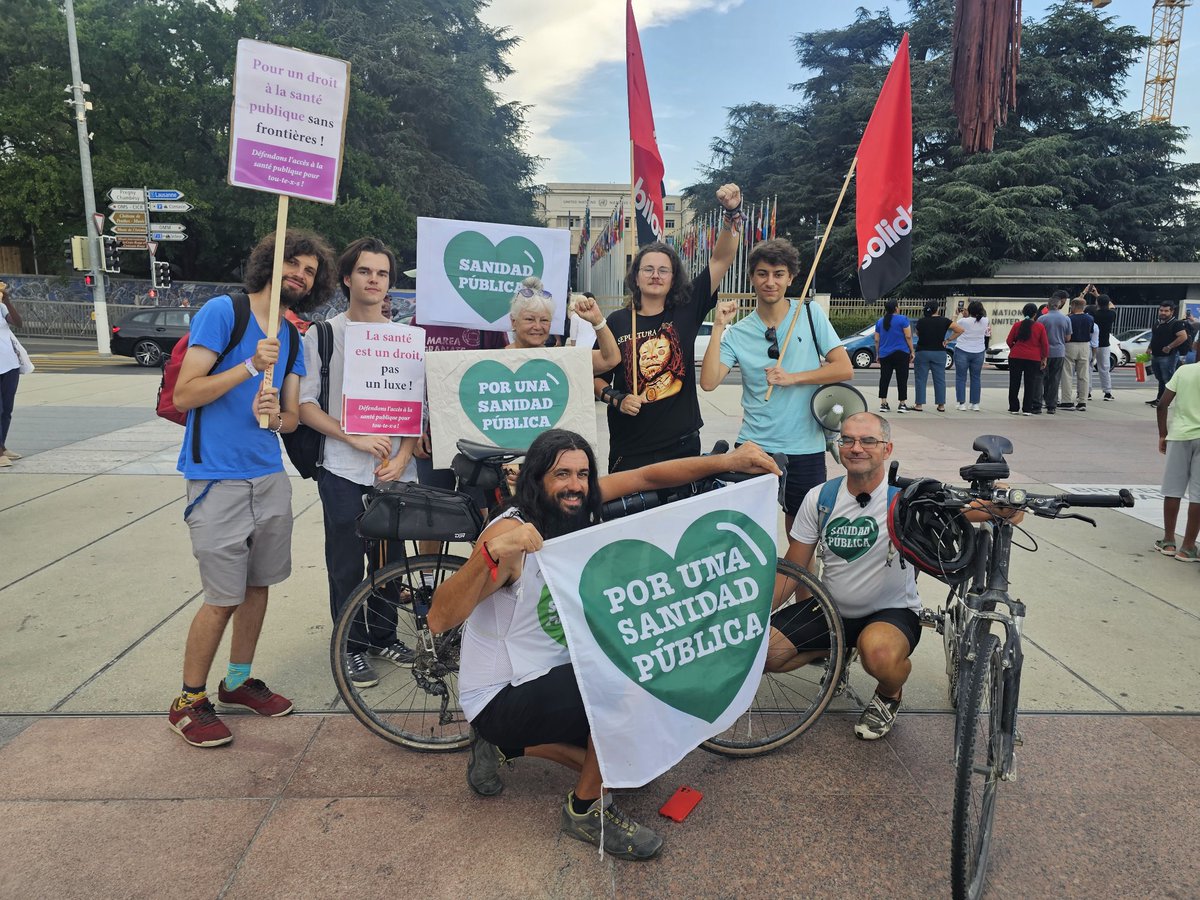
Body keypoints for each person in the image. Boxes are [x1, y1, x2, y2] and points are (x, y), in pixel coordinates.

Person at [427, 429, 780, 859]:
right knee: (627, 684)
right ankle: (584, 811)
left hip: (550, 676)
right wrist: (492, 552)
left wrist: (727, 462)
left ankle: (504, 746)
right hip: (500, 694)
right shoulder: (511, 535)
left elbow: (647, 477)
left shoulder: (577, 503)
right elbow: (438, 618)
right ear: (536, 478)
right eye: (562, 474)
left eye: (583, 473)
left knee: (634, 769)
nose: (575, 485)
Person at [167, 229, 337, 748]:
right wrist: (247, 366)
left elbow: (290, 419)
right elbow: (185, 394)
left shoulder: (292, 337)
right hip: (216, 476)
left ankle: (237, 681)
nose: (300, 275)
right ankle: (188, 701)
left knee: (258, 586)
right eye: (294, 263)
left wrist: (275, 418)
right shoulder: (225, 313)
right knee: (222, 596)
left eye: (309, 271)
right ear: (270, 262)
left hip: (267, 474)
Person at [765, 413, 1020, 740]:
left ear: (887, 449)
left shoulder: (909, 498)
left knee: (879, 655)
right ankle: (838, 654)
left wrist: (1007, 501)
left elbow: (999, 513)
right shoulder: (820, 498)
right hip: (831, 609)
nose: (856, 448)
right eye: (848, 440)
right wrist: (754, 620)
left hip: (891, 612)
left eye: (868, 441)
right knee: (765, 654)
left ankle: (889, 694)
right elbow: (794, 569)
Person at [299, 237, 420, 689]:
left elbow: (417, 407)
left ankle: (384, 635)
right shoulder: (323, 335)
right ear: (347, 278)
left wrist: (403, 456)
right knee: (346, 563)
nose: (374, 280)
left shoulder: (405, 339)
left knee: (390, 559)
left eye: (382, 273)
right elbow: (305, 405)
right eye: (365, 271)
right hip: (341, 468)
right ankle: (349, 645)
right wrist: (353, 437)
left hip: (393, 473)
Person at [700, 237, 852, 538]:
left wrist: (792, 377)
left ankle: (799, 574)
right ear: (752, 278)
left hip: (806, 447)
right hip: (754, 446)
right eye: (762, 274)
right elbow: (708, 382)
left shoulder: (810, 314)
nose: (770, 282)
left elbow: (843, 368)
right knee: (747, 534)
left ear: (791, 278)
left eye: (778, 274)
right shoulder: (738, 332)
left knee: (803, 536)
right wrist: (718, 327)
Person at [595, 184, 742, 472]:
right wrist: (616, 398)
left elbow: (722, 259)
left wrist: (732, 213)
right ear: (636, 277)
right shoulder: (617, 321)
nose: (655, 275)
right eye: (648, 269)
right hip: (630, 450)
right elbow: (595, 377)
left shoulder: (686, 309)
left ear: (673, 278)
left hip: (681, 445)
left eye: (663, 270)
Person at [506, 276, 618, 374]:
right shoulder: (498, 360)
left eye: (544, 320)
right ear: (513, 321)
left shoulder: (561, 359)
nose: (538, 327)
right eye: (530, 319)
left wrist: (598, 321)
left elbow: (610, 359)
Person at [1156, 335, 1200, 561]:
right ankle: (1188, 547)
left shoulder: (1184, 371)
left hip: (1180, 435)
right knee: (1198, 495)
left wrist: (1163, 434)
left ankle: (1169, 540)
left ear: (1196, 346)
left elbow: (1162, 404)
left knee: (1173, 490)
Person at [1005, 303, 1048, 415]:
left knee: (1014, 382)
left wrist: (1014, 348)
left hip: (1016, 356)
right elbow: (1044, 344)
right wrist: (1044, 358)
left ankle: (1014, 407)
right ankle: (1027, 408)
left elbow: (1009, 340)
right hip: (1033, 358)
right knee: (1030, 383)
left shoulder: (1017, 325)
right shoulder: (1039, 327)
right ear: (1035, 314)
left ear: (1023, 313)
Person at [873, 298, 913, 412]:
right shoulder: (903, 319)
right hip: (901, 352)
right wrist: (912, 350)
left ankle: (883, 403)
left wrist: (878, 353)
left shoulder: (880, 321)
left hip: (885, 353)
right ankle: (902, 403)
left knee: (884, 378)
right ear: (896, 308)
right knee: (902, 378)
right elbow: (908, 336)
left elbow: (876, 339)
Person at [911, 300, 951, 412]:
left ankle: (919, 404)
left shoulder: (922, 321)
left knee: (920, 379)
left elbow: (918, 333)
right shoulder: (944, 321)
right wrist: (948, 340)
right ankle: (941, 405)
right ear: (937, 309)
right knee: (940, 379)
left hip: (923, 352)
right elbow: (960, 329)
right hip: (939, 352)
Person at [0, 282, 23, 467]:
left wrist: (6, 300)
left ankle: (2, 446)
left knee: (7, 410)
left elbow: (18, 323)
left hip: (9, 366)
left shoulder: (1, 307)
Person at [949, 300, 988, 410]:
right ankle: (975, 404)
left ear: (969, 310)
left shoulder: (963, 321)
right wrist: (969, 314)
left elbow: (951, 326)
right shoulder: (985, 320)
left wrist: (956, 314)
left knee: (961, 377)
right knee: (976, 378)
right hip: (979, 351)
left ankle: (961, 403)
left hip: (962, 350)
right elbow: (980, 316)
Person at [1148, 302, 1189, 408]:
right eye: (1161, 310)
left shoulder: (1176, 323)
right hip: (1156, 355)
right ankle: (1159, 399)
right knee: (1160, 379)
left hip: (1168, 356)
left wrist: (1169, 347)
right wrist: (1149, 348)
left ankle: (1165, 403)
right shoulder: (1157, 322)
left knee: (1167, 379)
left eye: (1166, 311)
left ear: (1172, 312)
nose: (1163, 313)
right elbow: (1154, 337)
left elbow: (1183, 336)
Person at [1038, 291, 1071, 414]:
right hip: (1059, 352)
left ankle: (1040, 401)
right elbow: (1068, 338)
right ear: (1059, 305)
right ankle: (1051, 405)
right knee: (1055, 378)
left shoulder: (1042, 319)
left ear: (1048, 305)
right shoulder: (1066, 319)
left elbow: (1037, 336)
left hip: (1044, 352)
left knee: (1042, 378)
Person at [1060, 297, 1094, 411]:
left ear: (1073, 306)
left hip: (1070, 345)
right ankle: (1082, 401)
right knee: (1084, 375)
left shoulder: (1069, 318)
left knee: (1067, 373)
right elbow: (1091, 332)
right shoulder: (1090, 318)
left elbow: (1066, 333)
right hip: (1085, 345)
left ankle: (1066, 400)